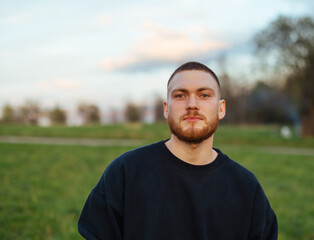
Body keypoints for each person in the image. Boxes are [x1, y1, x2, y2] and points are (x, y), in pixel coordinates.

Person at [78, 61, 278, 240]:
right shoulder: (125, 172)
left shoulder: (247, 189)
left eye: (204, 95)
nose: (192, 105)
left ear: (221, 108)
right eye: (180, 95)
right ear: (166, 108)